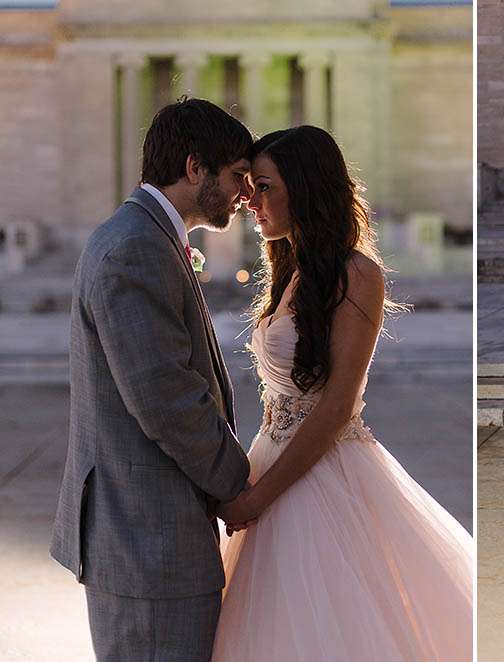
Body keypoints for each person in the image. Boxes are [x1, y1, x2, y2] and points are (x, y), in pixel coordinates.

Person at [210, 126, 474, 661]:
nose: (250, 202)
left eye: (264, 187)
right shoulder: (288, 268)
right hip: (269, 458)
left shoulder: (357, 274)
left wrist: (257, 499)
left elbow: (336, 405)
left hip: (323, 472)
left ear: (305, 187)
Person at [50, 98, 253, 661]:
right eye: (237, 175)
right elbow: (164, 397)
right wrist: (236, 486)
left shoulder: (143, 237)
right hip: (147, 539)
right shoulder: (135, 248)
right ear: (195, 169)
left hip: (146, 533)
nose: (245, 192)